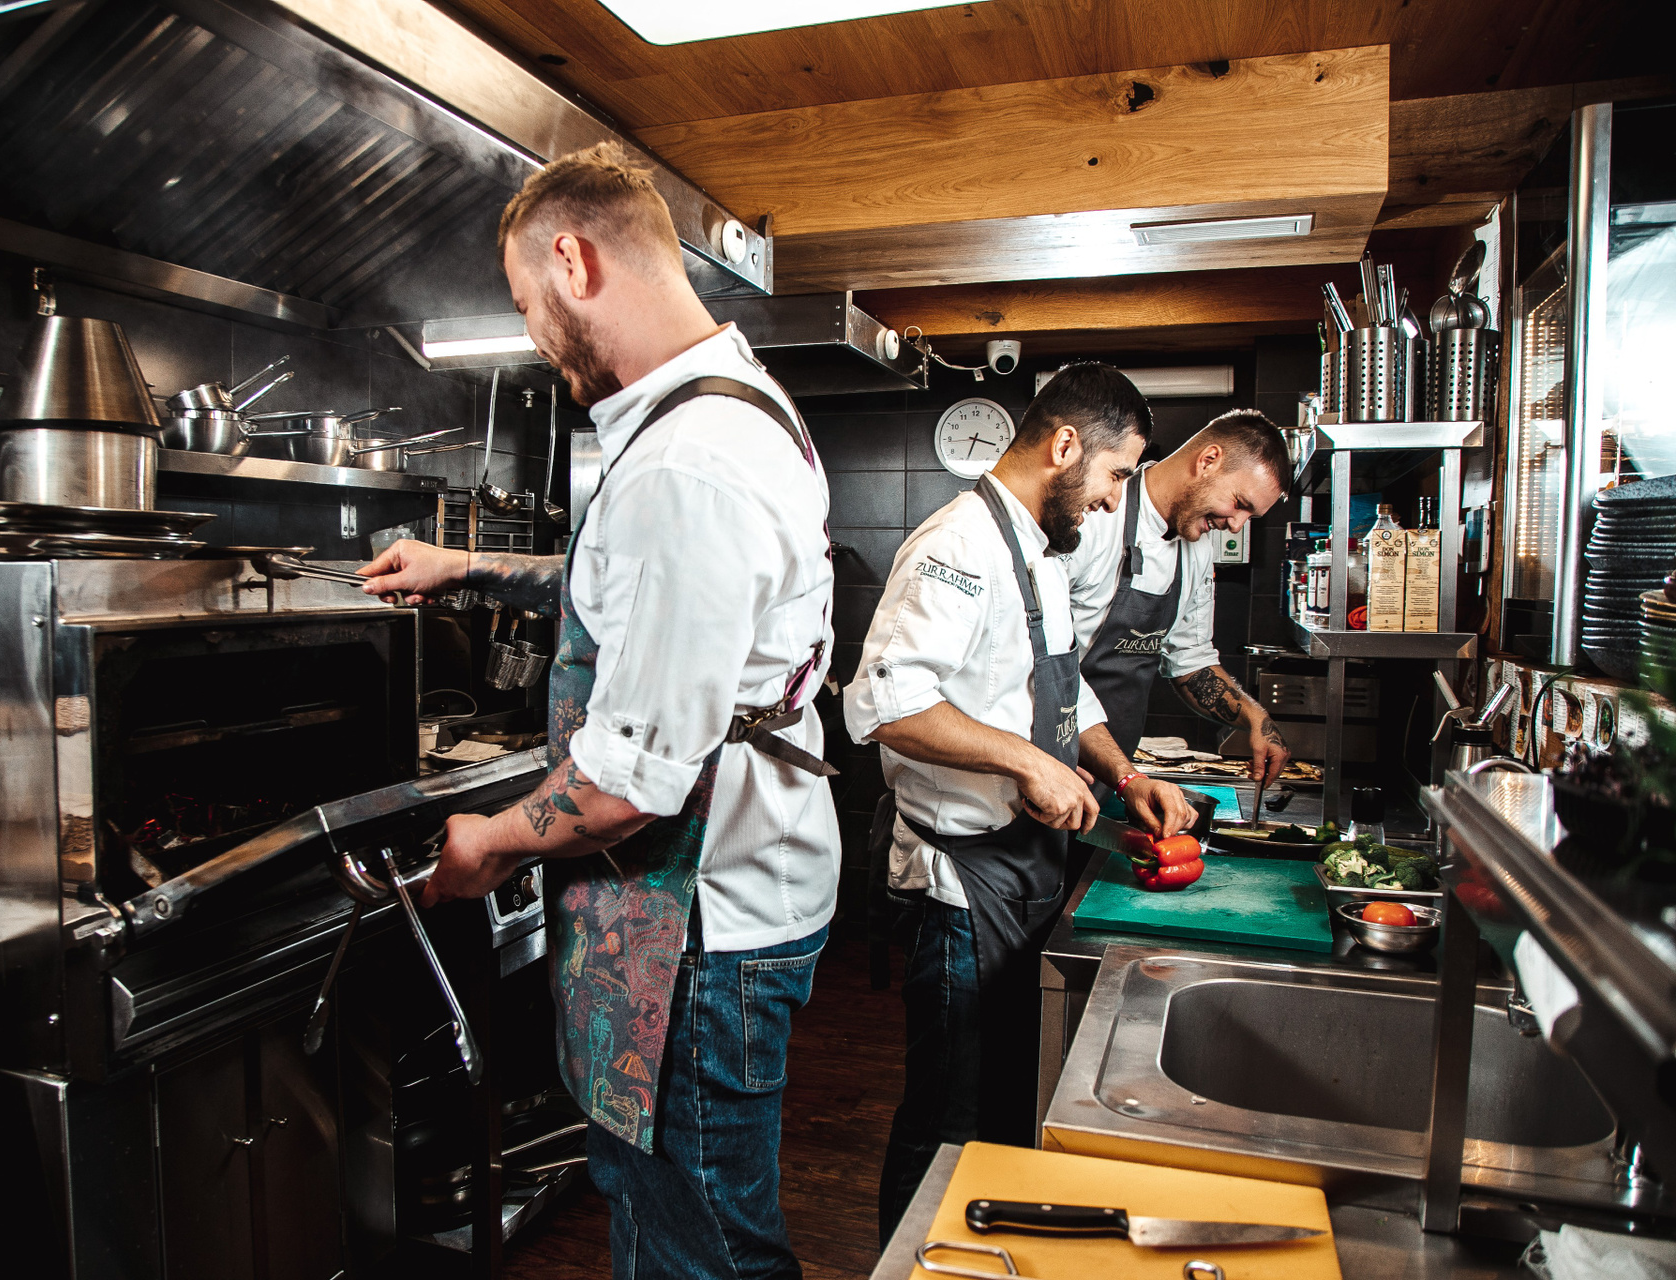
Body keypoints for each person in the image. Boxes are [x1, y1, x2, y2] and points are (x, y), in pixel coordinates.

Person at [356, 143, 838, 1280]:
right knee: (671, 1222)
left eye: (527, 302)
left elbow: (628, 788)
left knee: (702, 1251)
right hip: (726, 900)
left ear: (572, 262)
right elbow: (630, 579)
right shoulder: (728, 404)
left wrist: (486, 841)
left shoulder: (686, 463)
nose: (533, 332)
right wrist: (463, 565)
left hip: (699, 932)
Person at [843, 363, 1198, 1243]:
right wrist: (1026, 763)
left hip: (1026, 871)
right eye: (1116, 474)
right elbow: (884, 703)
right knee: (948, 1122)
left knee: (1005, 1105)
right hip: (963, 886)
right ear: (1066, 445)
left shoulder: (1038, 552)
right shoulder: (957, 545)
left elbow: (1065, 691)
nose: (1115, 499)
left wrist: (1126, 778)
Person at [1066, 408, 1295, 786]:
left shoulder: (1198, 550)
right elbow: (1039, 661)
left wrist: (1255, 718)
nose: (1236, 525)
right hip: (1051, 759)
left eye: (1249, 517)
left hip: (1113, 770)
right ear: (1208, 460)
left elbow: (1191, 660)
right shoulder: (1095, 515)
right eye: (1240, 503)